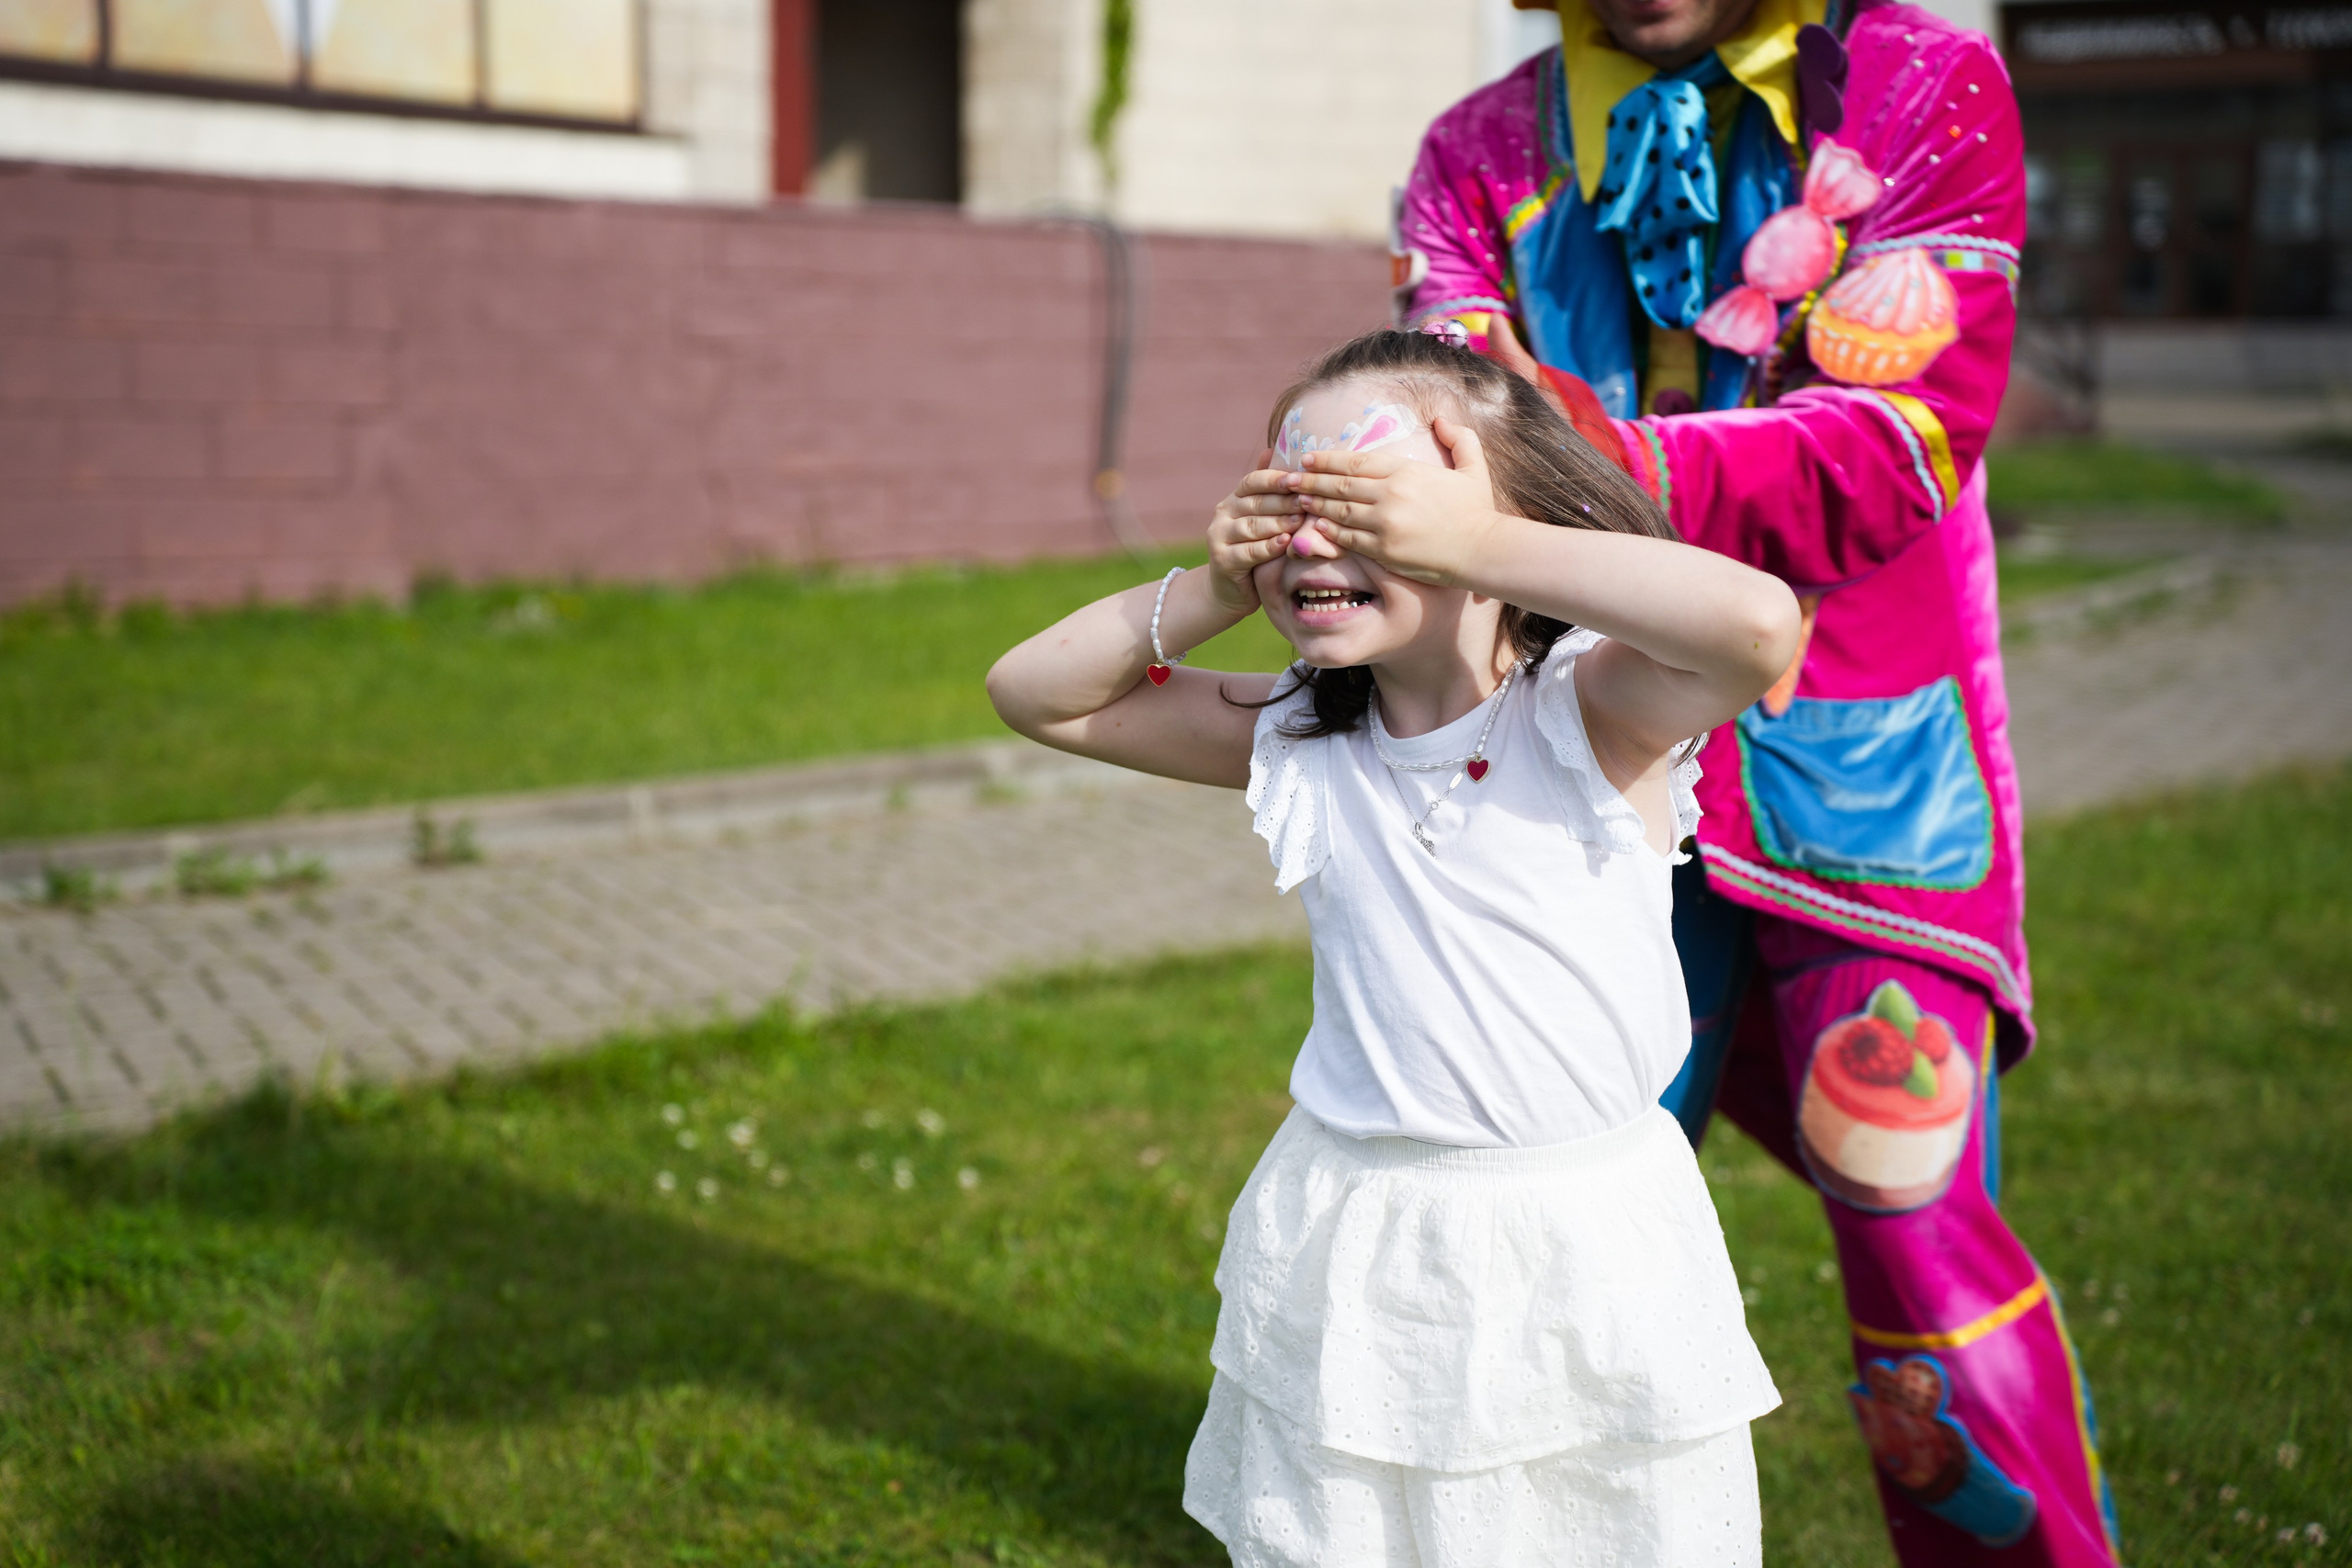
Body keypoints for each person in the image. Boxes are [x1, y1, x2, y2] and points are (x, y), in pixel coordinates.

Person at [1390, 0, 2122, 1562]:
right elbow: (1439, 463)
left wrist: (1567, 446)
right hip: (1577, 769)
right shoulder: (1475, 158)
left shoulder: (1924, 85)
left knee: (1903, 1198)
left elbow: (1895, 447)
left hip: (1861, 772)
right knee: (1533, 1215)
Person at [989, 327, 1802, 1567]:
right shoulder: (1302, 732)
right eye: (1288, 504)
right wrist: (1211, 587)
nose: (1314, 539)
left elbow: (1754, 627)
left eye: (1365, 502)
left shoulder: (1591, 711)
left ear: (1491, 517)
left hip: (1581, 1236)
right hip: (1360, 1226)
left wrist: (1472, 538)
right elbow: (1036, 692)